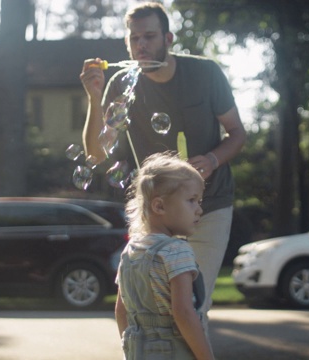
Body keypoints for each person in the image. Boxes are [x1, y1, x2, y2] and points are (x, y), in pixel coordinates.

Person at [80, 2, 246, 329]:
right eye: (135, 38)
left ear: (168, 39)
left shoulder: (205, 73)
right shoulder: (120, 85)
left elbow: (238, 133)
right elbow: (97, 154)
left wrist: (212, 159)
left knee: (192, 305)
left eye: (150, 37)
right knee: (137, 302)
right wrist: (92, 96)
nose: (141, 45)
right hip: (155, 209)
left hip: (208, 204)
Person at [115, 152, 214, 359]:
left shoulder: (130, 250)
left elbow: (121, 311)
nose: (199, 210)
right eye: (192, 200)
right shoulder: (177, 250)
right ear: (159, 206)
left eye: (199, 201)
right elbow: (184, 313)